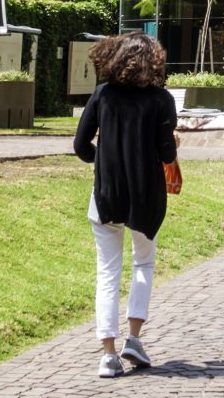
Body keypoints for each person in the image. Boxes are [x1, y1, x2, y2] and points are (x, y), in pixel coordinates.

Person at [74, 33, 178, 378]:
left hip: (106, 193)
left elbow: (80, 143)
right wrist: (173, 142)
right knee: (143, 263)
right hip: (145, 196)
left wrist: (99, 160)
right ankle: (133, 338)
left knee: (107, 271)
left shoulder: (103, 94)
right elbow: (166, 154)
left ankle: (107, 353)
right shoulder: (161, 100)